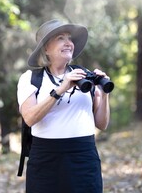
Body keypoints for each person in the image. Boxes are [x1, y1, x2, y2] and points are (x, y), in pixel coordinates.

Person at [17, 19, 111, 193]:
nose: (69, 43)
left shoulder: (85, 76)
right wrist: (61, 88)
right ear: (46, 48)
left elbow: (102, 124)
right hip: (46, 159)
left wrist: (104, 94)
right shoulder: (30, 79)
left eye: (70, 38)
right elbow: (29, 118)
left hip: (84, 158)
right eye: (61, 38)